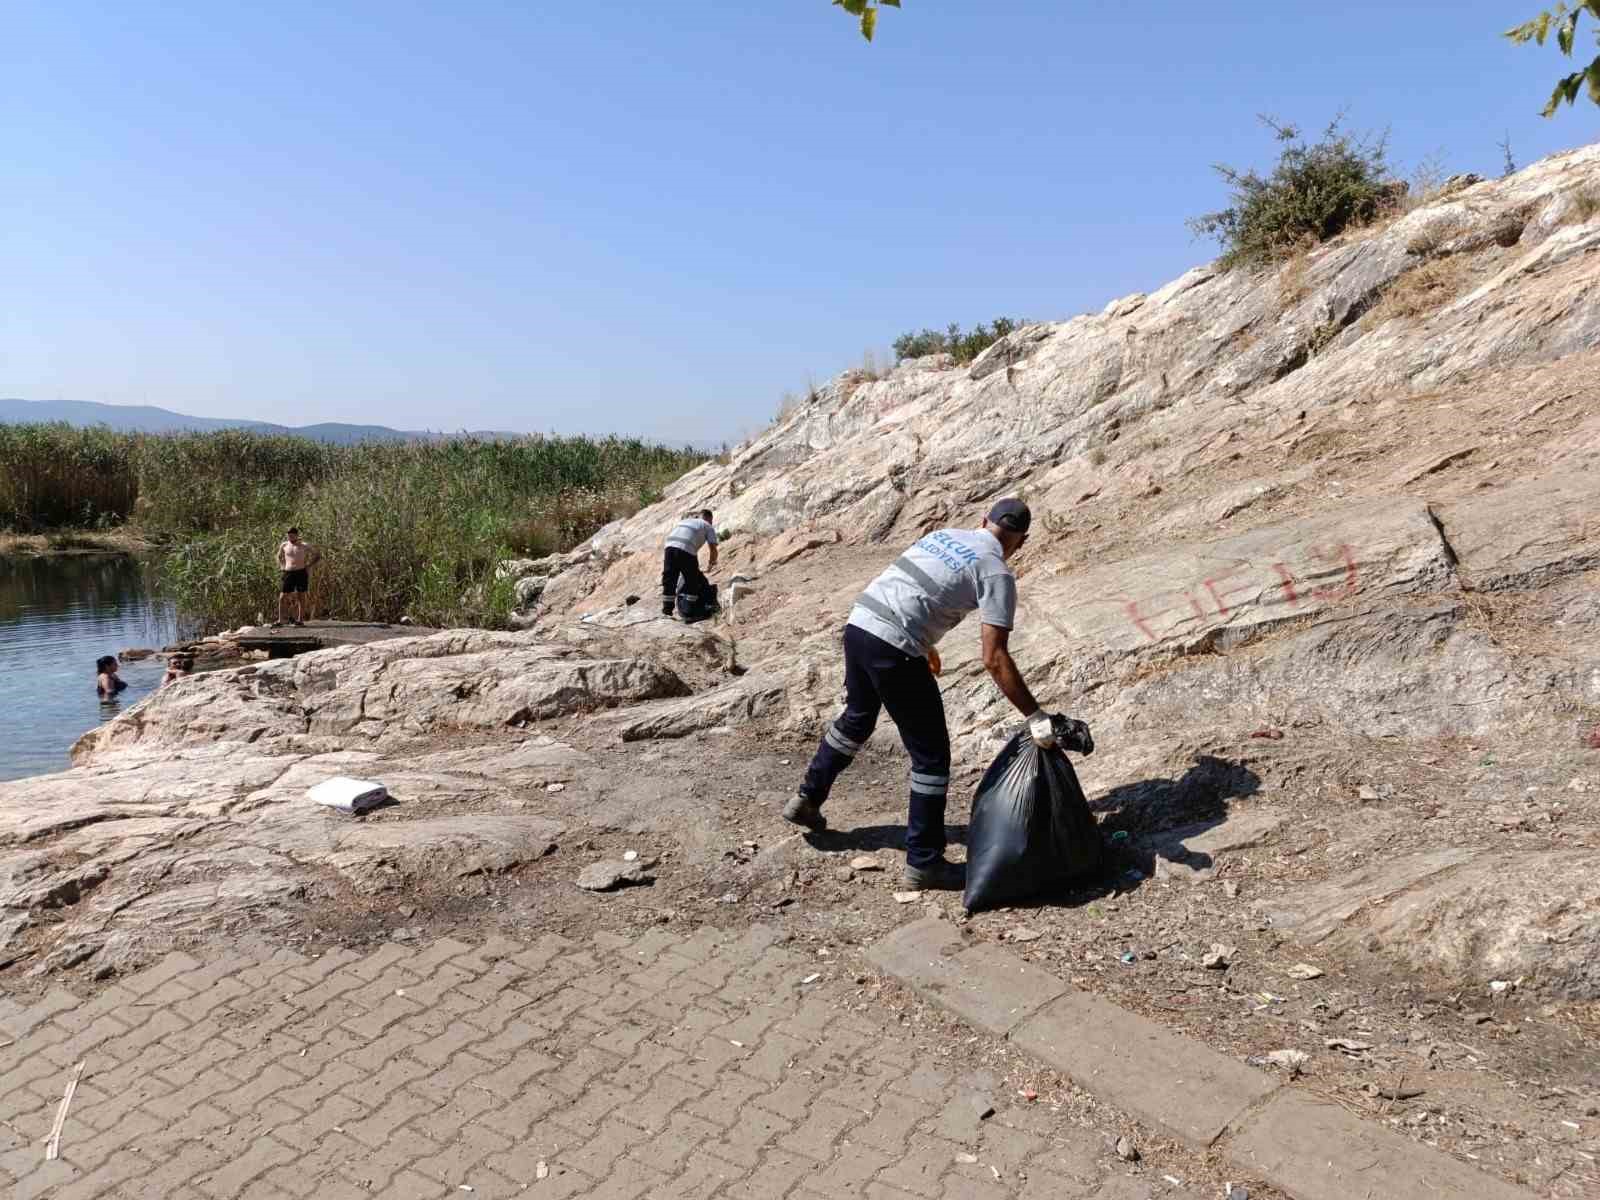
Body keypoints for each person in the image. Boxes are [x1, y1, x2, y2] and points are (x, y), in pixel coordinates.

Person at [783, 498, 1074, 890]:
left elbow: (917, 589)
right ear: (1021, 542)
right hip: (895, 647)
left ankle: (807, 797)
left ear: (982, 520)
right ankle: (924, 862)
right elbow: (994, 657)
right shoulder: (996, 573)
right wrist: (1035, 715)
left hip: (860, 625)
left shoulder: (944, 535)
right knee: (931, 757)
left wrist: (924, 642)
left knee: (857, 716)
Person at [661, 508, 718, 618]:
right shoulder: (707, 525)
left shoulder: (685, 521)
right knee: (692, 580)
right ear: (709, 518)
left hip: (669, 546)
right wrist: (712, 563)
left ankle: (667, 611)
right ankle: (689, 611)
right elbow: (713, 548)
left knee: (669, 578)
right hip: (686, 549)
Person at [275, 527, 321, 628]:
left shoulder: (304, 545)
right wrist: (281, 566)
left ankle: (300, 620)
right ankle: (280, 620)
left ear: (296, 535)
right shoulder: (284, 545)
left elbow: (317, 555)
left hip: (301, 572)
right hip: (288, 572)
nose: (290, 536)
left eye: (292, 535)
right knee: (282, 596)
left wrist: (308, 566)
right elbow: (278, 556)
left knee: (301, 596)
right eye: (288, 535)